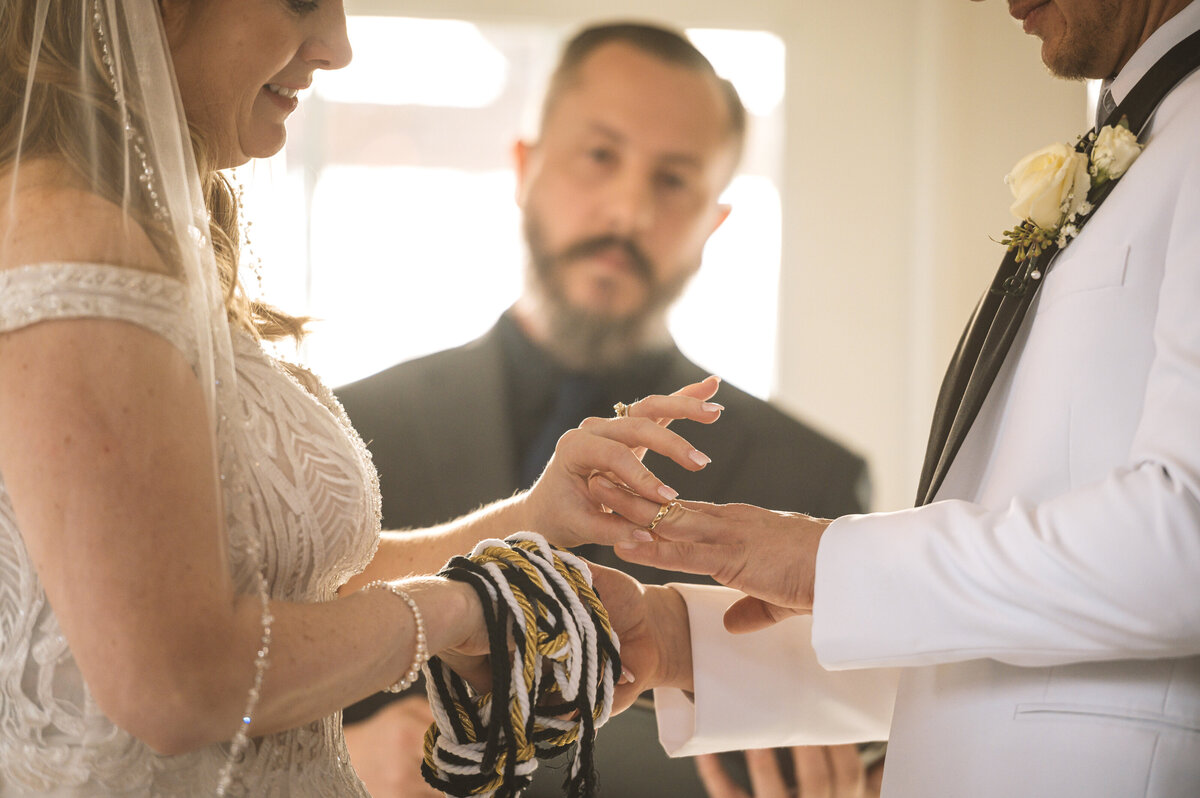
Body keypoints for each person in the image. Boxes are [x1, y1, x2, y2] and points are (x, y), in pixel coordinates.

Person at [0, 1, 718, 794]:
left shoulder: (125, 232)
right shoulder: (74, 239)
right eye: (303, 0)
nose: (337, 46)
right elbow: (176, 686)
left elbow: (279, 592)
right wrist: (459, 609)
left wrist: (527, 522)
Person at [590, 1, 1200, 796]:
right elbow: (1035, 625)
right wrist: (683, 644)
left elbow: (1186, 541)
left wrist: (823, 561)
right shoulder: (1152, 131)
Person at [334, 22, 874, 798]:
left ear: (711, 225)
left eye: (673, 180)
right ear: (524, 167)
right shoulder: (350, 435)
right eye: (600, 157)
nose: (626, 209)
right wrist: (333, 767)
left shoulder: (814, 483)